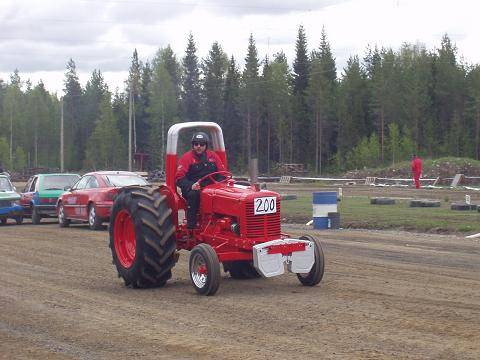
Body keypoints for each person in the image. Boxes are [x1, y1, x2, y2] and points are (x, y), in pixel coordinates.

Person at [175, 132, 226, 229]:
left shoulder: (213, 157)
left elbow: (223, 174)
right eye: (196, 144)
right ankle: (191, 228)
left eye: (202, 144)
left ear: (206, 146)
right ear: (193, 145)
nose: (199, 146)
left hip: (212, 188)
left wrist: (219, 185)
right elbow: (179, 178)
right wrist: (191, 185)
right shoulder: (187, 158)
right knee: (194, 195)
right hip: (193, 188)